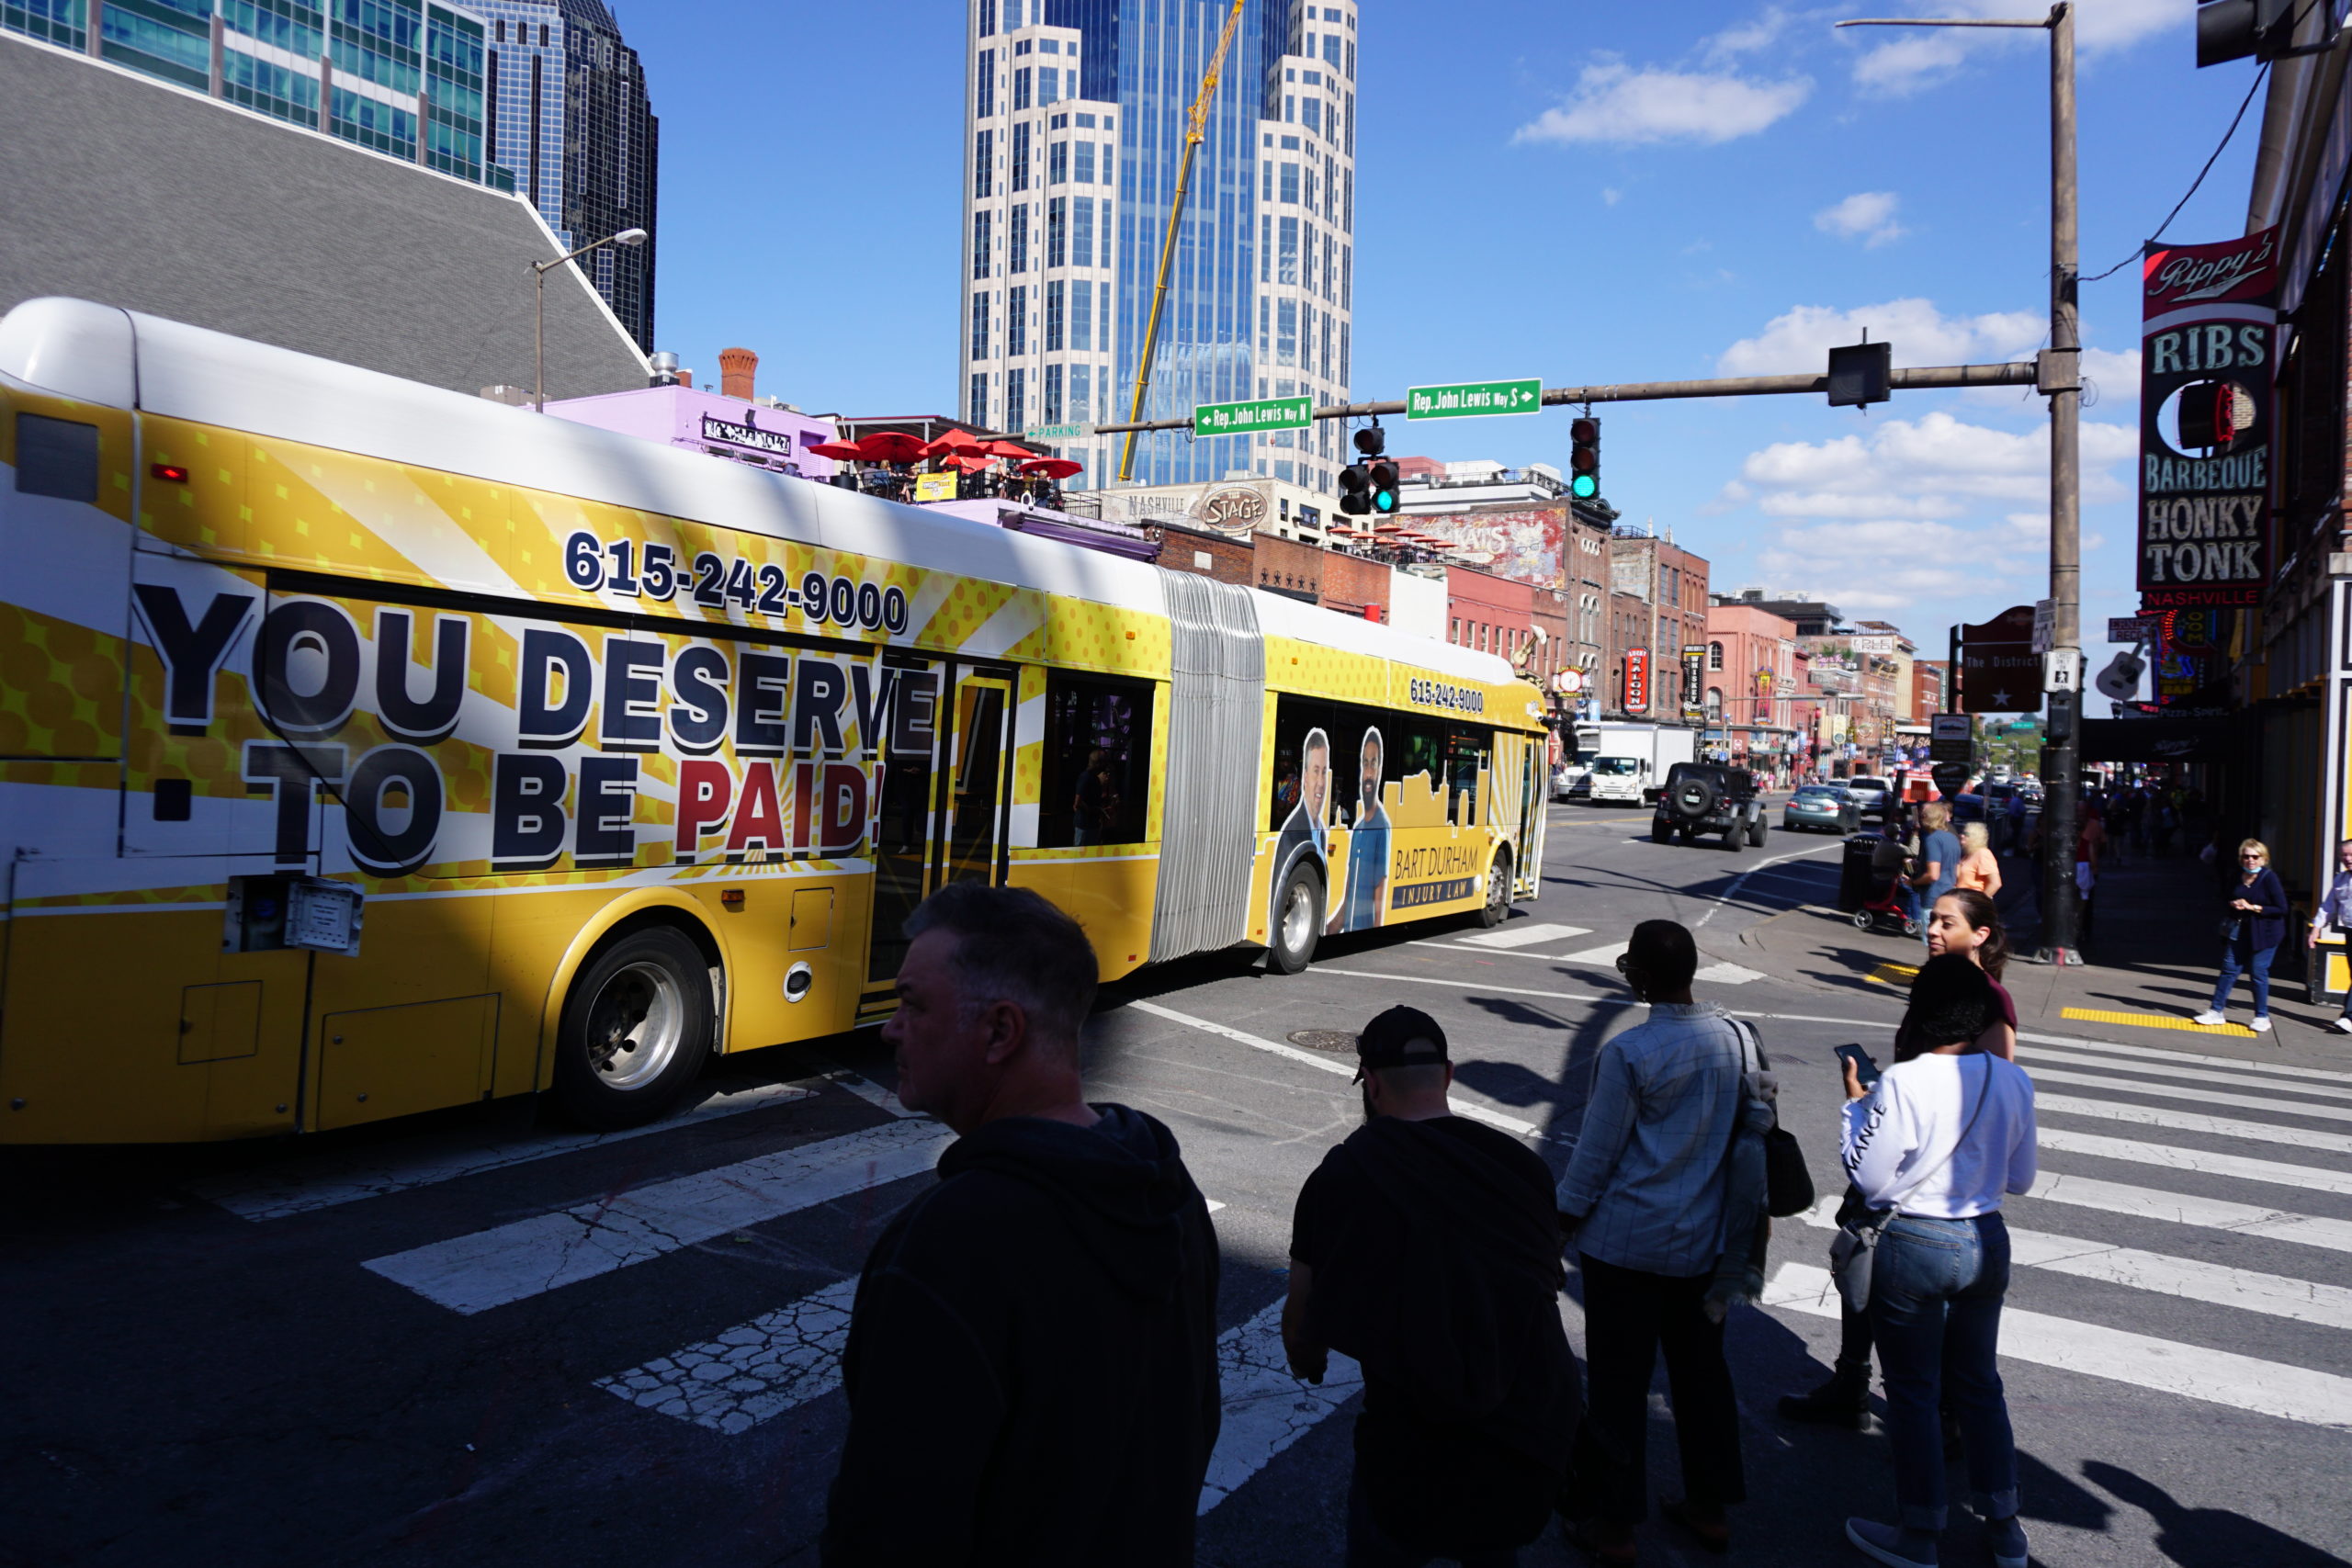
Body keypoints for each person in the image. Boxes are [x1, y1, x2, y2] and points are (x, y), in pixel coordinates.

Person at [822, 884, 1221, 1566]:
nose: (891, 1028)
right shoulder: (1169, 1188)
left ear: (1001, 1031)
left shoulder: (948, 1245)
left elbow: (889, 1527)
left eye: (913, 1004)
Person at [1283, 1006, 1581, 1567]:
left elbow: (1302, 1316)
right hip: (1527, 1430)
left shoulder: (1345, 1173)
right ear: (1447, 1075)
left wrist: (1307, 1359)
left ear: (1369, 1083)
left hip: (1411, 1446)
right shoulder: (1522, 1167)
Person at [1554, 920, 1764, 1562]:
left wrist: (1558, 1224)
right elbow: (1757, 1129)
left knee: (1618, 1384)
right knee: (1701, 1374)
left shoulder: (1629, 1052)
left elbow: (1595, 1155)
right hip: (1702, 1245)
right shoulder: (1739, 1039)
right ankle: (1709, 1505)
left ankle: (1614, 1525)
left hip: (1625, 1244)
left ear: (1641, 977)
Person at [1839, 955, 2039, 1568]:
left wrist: (1854, 1107)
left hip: (1918, 1239)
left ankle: (1921, 1531)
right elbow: (2022, 1177)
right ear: (1981, 1015)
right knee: (1980, 1385)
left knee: (1914, 1390)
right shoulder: (2013, 1078)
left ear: (1919, 1012)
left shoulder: (1903, 1080)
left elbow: (1869, 1178)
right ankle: (2005, 1528)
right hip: (1986, 1234)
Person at [2194, 839, 2290, 1035]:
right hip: (2239, 932)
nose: (2250, 860)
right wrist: (2234, 904)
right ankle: (2216, 1011)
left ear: (2264, 859)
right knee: (2229, 970)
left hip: (2266, 934)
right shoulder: (2237, 876)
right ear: (2241, 858)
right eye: (2246, 856)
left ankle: (2262, 1016)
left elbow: (2282, 908)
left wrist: (2254, 907)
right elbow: (2228, 895)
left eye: (2255, 857)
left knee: (2258, 972)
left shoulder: (2269, 878)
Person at [1332, 728, 1392, 934]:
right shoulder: (1357, 829)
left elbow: (1379, 900)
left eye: (1373, 764)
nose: (1368, 773)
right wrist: (1330, 927)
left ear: (1380, 769)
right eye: (1365, 763)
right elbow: (1349, 895)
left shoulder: (1381, 826)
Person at [2310, 839, 2352, 1036]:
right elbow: (2328, 907)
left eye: (2351, 854)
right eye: (2344, 855)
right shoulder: (2341, 880)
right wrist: (2316, 928)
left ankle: (2349, 1016)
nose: (2347, 858)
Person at [1908, 803, 1962, 953]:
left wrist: (1913, 882)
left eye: (1922, 816)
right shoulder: (1953, 838)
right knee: (1944, 942)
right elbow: (1957, 870)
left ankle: (1934, 974)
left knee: (1933, 942)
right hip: (1949, 894)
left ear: (1927, 819)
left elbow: (1933, 874)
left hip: (1933, 897)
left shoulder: (1933, 839)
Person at [1953, 821, 2001, 900]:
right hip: (1961, 900)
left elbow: (1996, 883)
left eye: (1966, 834)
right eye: (1962, 833)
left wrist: (1979, 902)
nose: (1961, 835)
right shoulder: (1968, 854)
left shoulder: (1983, 853)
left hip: (1972, 902)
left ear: (1976, 837)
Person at [1073, 747, 1107, 846]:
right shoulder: (1086, 777)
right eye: (1104, 761)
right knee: (1080, 856)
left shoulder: (1095, 778)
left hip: (1092, 825)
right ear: (1098, 763)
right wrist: (1092, 810)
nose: (1106, 764)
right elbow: (1077, 802)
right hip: (1084, 826)